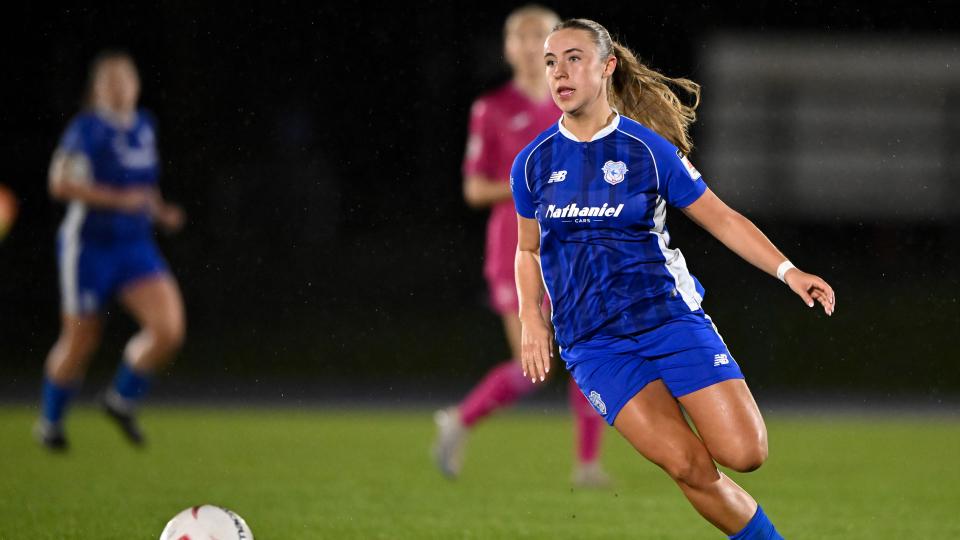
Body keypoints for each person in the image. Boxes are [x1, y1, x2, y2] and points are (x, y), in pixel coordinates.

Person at [512, 19, 836, 539]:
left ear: (607, 66)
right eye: (551, 62)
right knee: (687, 465)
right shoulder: (531, 164)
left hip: (668, 320)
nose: (560, 72)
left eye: (574, 58)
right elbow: (527, 250)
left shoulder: (648, 151)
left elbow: (723, 218)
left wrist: (788, 270)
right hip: (595, 345)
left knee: (745, 453)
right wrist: (532, 317)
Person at [433, 5, 610, 487]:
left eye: (543, 37)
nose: (533, 46)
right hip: (514, 250)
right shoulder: (491, 109)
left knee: (588, 355)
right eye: (523, 37)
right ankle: (460, 420)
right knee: (534, 364)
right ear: (509, 48)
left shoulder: (577, 102)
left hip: (576, 247)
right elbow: (473, 189)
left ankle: (588, 465)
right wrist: (531, 187)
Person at [35, 51, 186, 451]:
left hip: (135, 245)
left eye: (126, 80)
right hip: (88, 247)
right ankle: (50, 422)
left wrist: (160, 211)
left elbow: (143, 187)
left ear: (136, 85)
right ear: (98, 89)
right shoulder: (86, 130)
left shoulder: (144, 127)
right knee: (82, 339)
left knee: (168, 329)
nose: (120, 88)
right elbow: (60, 184)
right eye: (111, 81)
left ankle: (120, 400)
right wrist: (120, 201)